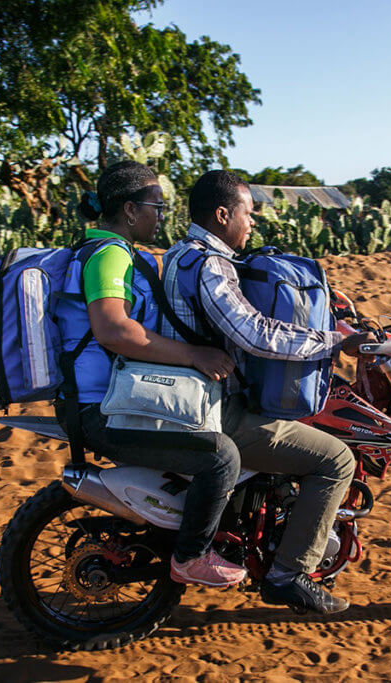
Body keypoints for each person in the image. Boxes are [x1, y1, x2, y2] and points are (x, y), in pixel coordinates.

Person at [160, 170, 376, 614]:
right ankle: (288, 574)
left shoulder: (180, 253)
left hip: (193, 399)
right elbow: (255, 333)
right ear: (223, 215)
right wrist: (335, 342)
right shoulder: (209, 265)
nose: (252, 223)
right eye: (248, 213)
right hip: (215, 411)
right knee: (337, 460)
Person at [55, 160, 246, 587]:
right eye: (155, 206)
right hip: (102, 408)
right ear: (128, 210)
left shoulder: (110, 252)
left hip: (118, 398)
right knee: (221, 457)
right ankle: (191, 558)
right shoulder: (108, 256)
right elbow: (114, 329)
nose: (161, 215)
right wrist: (193, 355)